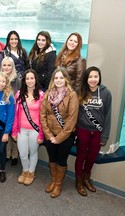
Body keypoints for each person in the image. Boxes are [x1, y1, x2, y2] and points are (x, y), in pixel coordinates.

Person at [40, 67, 79, 198]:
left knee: (61, 160)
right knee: (52, 159)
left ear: (66, 79)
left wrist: (59, 138)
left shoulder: (72, 95)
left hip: (66, 136)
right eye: (56, 78)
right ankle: (53, 180)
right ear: (53, 80)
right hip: (50, 135)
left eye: (61, 77)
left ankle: (58, 184)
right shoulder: (48, 94)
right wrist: (49, 135)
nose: (58, 80)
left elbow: (71, 121)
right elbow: (42, 115)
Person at [75, 66, 112, 196]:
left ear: (99, 78)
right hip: (82, 130)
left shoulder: (106, 93)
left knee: (91, 157)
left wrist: (104, 136)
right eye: (90, 77)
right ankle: (78, 181)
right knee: (81, 156)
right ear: (86, 78)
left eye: (96, 76)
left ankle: (86, 178)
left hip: (97, 132)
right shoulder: (80, 91)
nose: (93, 79)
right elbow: (76, 112)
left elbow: (108, 116)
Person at [12, 69, 45, 185]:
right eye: (27, 78)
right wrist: (14, 131)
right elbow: (15, 115)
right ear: (24, 80)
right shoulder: (19, 94)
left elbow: (43, 116)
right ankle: (25, 170)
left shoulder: (41, 95)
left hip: (35, 130)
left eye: (32, 78)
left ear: (36, 79)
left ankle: (31, 172)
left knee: (33, 151)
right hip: (22, 130)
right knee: (22, 153)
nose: (30, 81)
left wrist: (41, 133)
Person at [0, 57, 21, 165]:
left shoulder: (17, 80)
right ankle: (7, 154)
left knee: (14, 132)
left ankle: (15, 155)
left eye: (9, 65)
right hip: (3, 111)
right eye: (4, 65)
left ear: (12, 67)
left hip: (15, 111)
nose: (7, 67)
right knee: (6, 132)